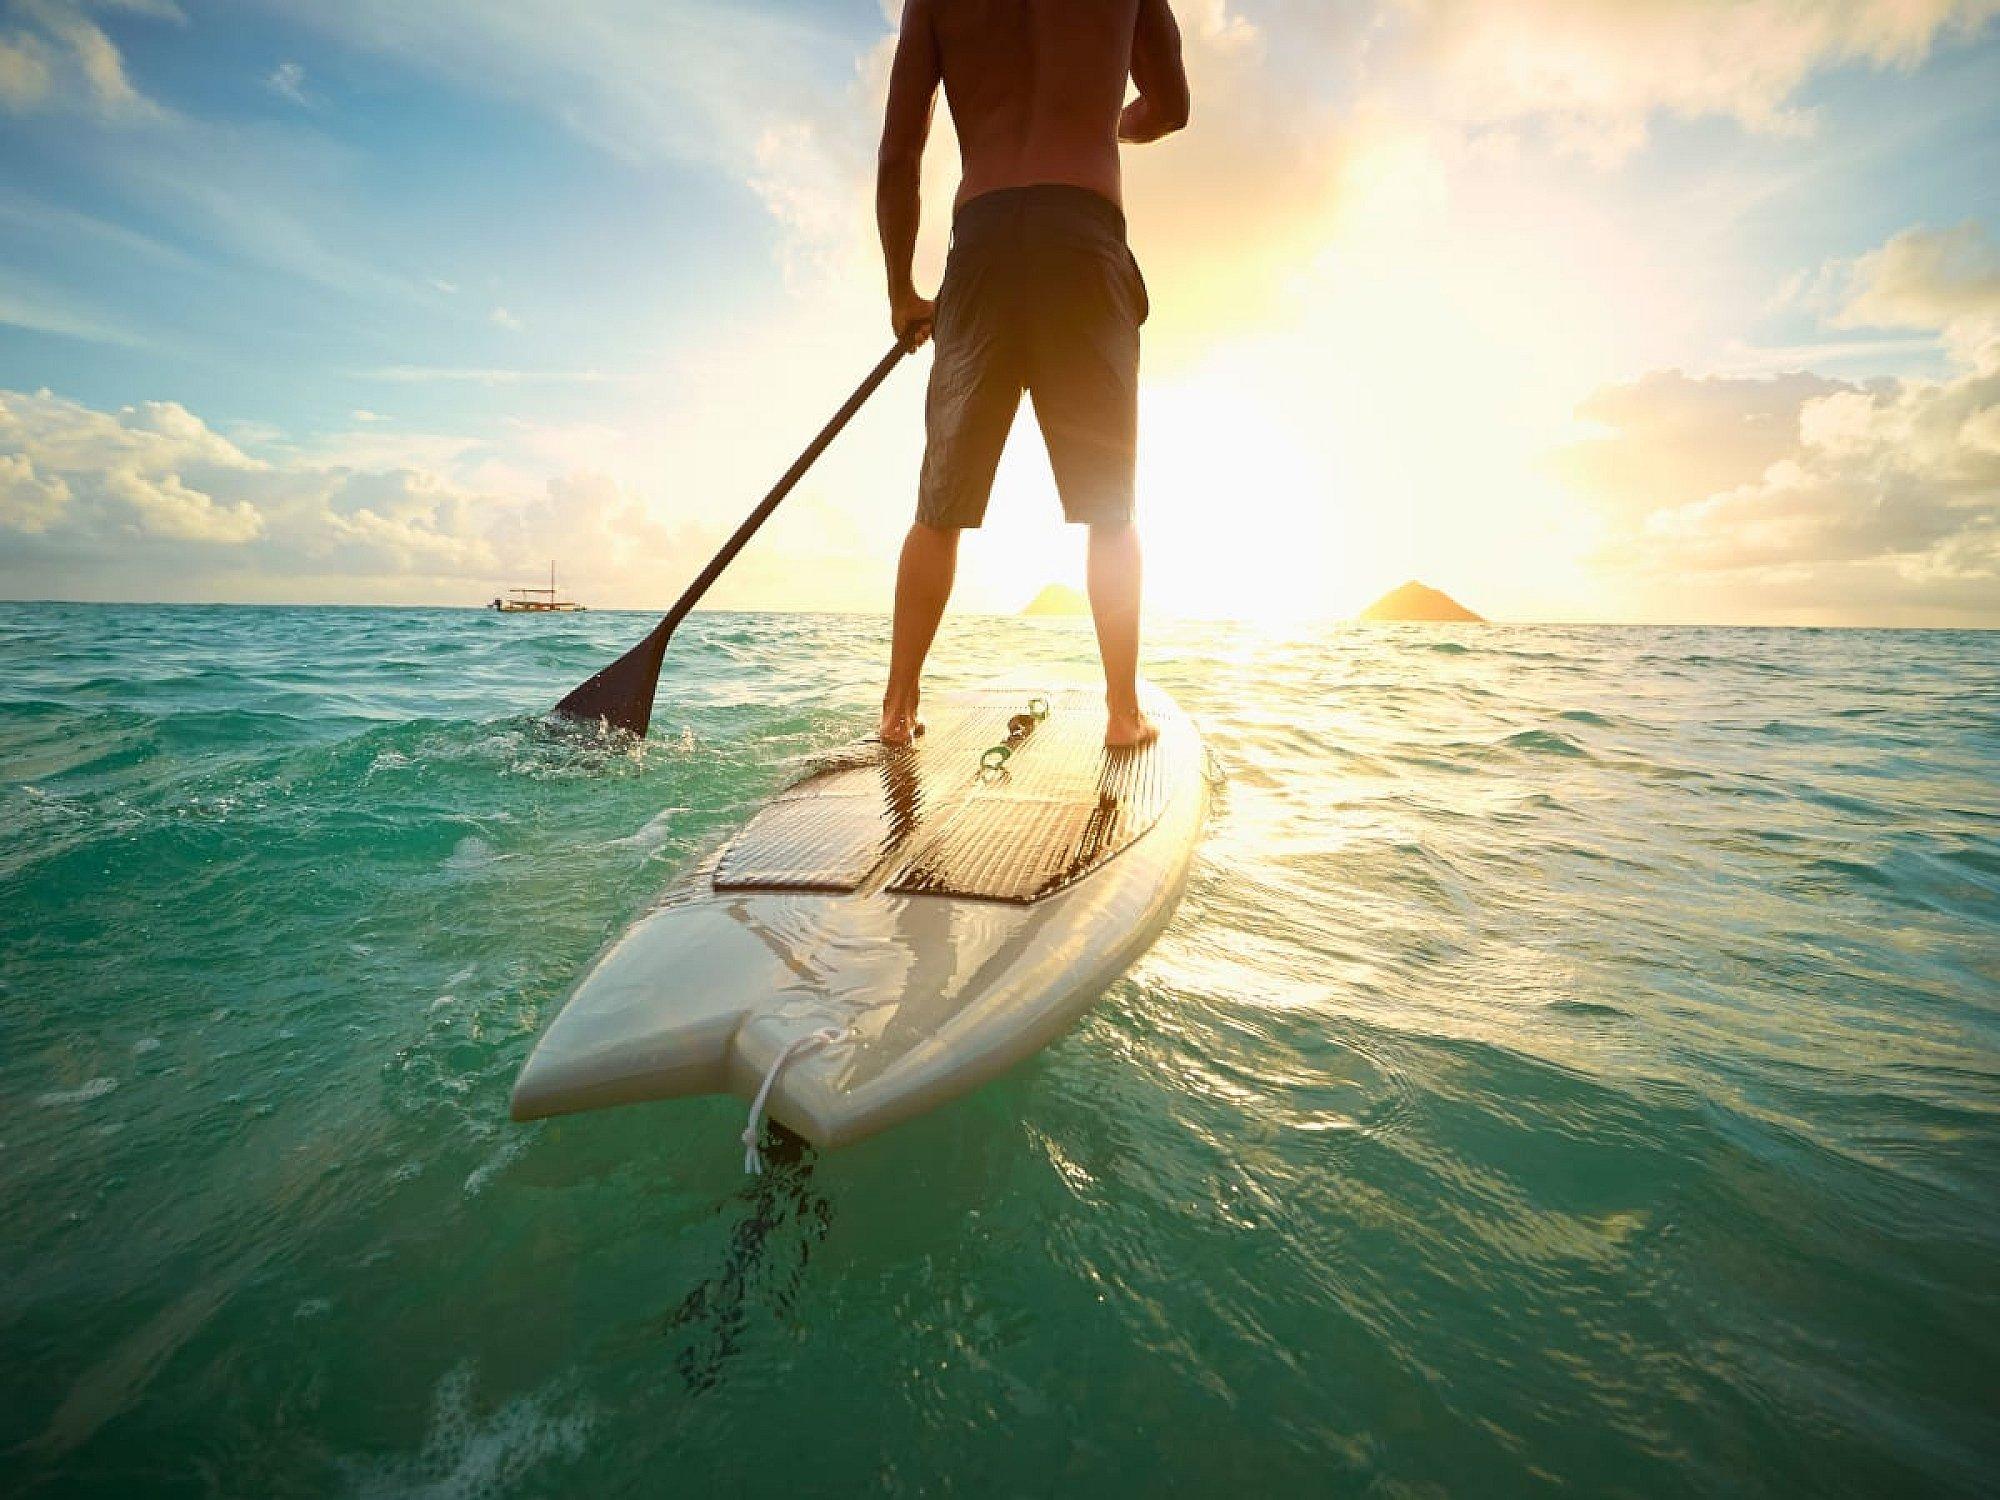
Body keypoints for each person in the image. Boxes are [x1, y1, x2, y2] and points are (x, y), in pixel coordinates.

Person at [874, 0, 1190, 749]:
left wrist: (902, 295)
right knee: (1109, 508)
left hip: (980, 245)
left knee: (939, 507)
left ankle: (896, 709)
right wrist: (1105, 120)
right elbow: (1171, 107)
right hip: (1082, 235)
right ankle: (1121, 713)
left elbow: (898, 156)